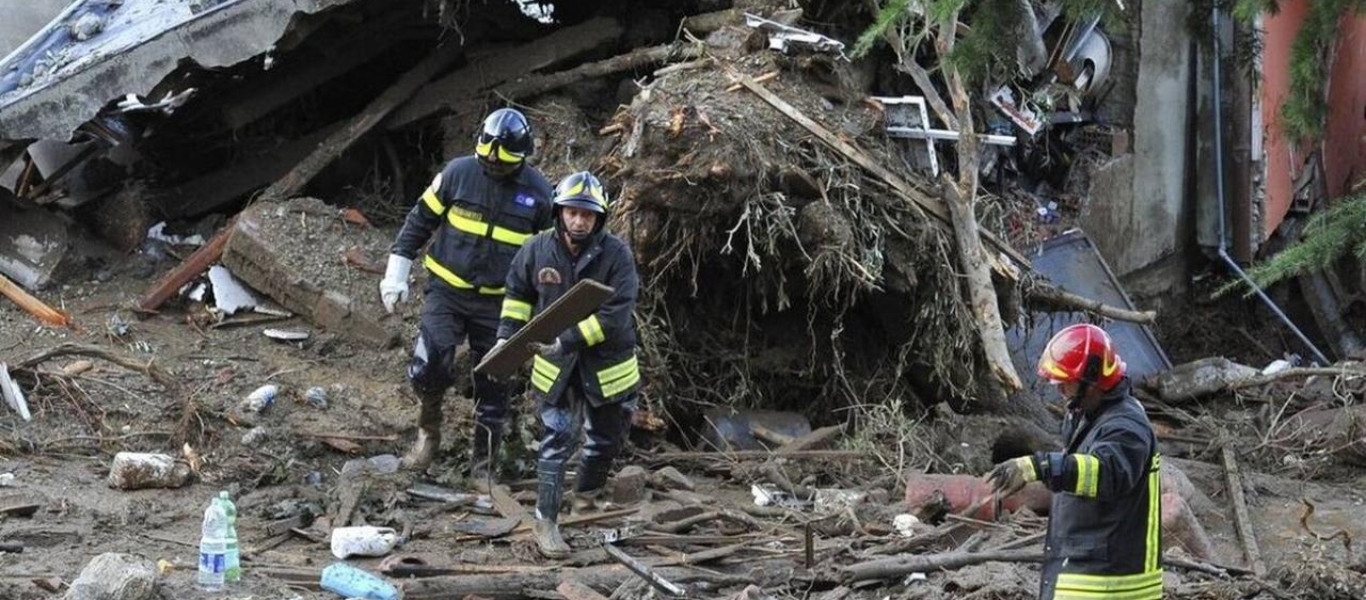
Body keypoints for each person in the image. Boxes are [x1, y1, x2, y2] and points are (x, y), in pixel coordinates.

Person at [380, 107, 554, 477]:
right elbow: (419, 220)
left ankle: (483, 466)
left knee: (494, 381)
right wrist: (397, 270)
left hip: (500, 302)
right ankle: (427, 435)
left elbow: (547, 256)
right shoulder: (458, 174)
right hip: (447, 291)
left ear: (521, 158)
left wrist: (544, 303)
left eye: (502, 162)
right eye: (486, 158)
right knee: (431, 362)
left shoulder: (539, 195)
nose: (492, 166)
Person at [497, 171, 641, 558]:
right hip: (555, 369)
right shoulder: (536, 250)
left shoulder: (617, 256)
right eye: (572, 213)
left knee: (604, 439)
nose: (579, 221)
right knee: (556, 440)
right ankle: (546, 521)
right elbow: (517, 295)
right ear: (559, 212)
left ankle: (587, 500)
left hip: (606, 367)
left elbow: (616, 314)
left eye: (587, 216)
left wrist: (567, 340)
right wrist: (505, 338)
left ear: (599, 219)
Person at [986, 324, 1162, 600]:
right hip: (1089, 568)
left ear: (1092, 379)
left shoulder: (1125, 426)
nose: (1060, 390)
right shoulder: (1091, 414)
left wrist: (1040, 466)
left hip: (1109, 583)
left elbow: (1106, 473)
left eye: (1065, 381)